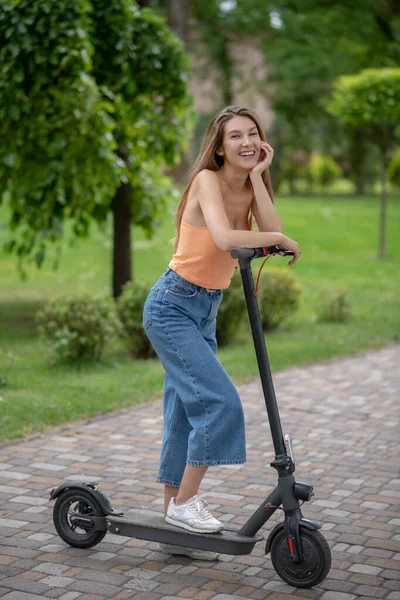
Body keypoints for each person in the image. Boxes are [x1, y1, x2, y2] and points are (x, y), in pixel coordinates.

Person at [142, 105, 300, 560]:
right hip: (172, 305)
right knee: (219, 402)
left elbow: (270, 231)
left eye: (253, 134)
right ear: (219, 144)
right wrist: (283, 243)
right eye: (236, 136)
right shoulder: (207, 180)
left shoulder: (249, 183)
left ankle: (173, 512)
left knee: (184, 411)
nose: (247, 142)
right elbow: (227, 238)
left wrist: (259, 177)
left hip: (204, 309)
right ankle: (186, 503)